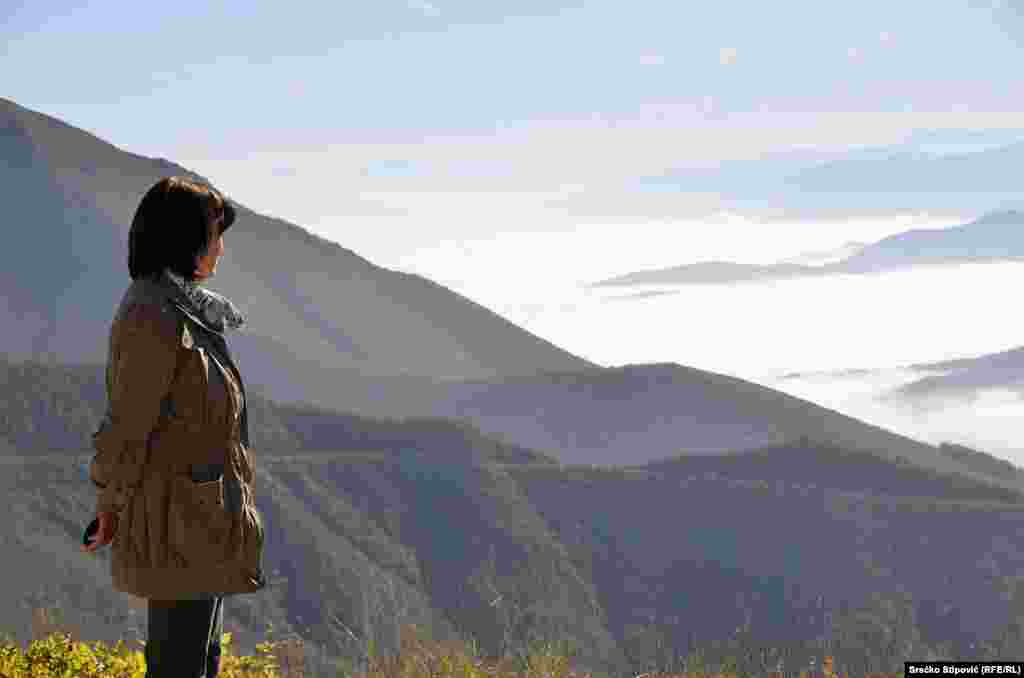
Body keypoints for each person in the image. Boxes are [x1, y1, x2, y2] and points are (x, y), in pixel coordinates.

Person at [81, 176, 267, 678]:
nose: (221, 249)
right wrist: (109, 504)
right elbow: (127, 425)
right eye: (214, 234)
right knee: (178, 668)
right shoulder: (151, 313)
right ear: (183, 237)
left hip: (202, 525)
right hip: (177, 527)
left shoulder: (186, 309)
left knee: (199, 664)